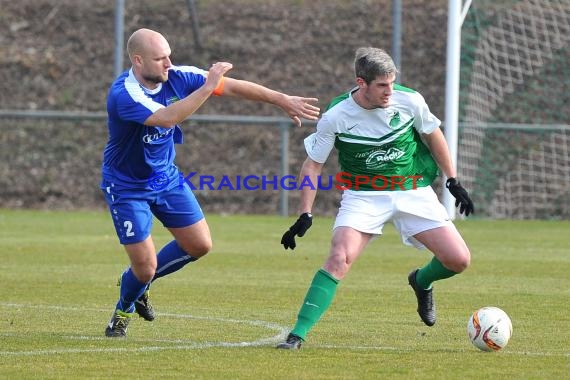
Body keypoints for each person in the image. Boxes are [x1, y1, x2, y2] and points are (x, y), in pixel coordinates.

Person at [101, 28, 320, 337]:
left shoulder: (177, 75)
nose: (168, 63)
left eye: (169, 55)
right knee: (145, 266)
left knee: (199, 245)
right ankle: (123, 308)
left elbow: (231, 88)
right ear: (137, 61)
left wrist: (281, 99)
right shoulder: (124, 94)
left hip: (166, 178)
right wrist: (207, 87)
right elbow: (166, 117)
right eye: (160, 58)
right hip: (126, 187)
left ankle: (137, 282)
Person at [276, 47, 474, 350]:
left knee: (459, 260)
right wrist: (306, 213)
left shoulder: (410, 100)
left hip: (412, 191)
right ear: (362, 82)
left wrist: (452, 179)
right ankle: (297, 335)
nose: (389, 91)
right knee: (339, 258)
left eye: (392, 83)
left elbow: (433, 134)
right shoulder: (337, 115)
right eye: (382, 85)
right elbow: (313, 164)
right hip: (364, 197)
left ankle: (421, 281)